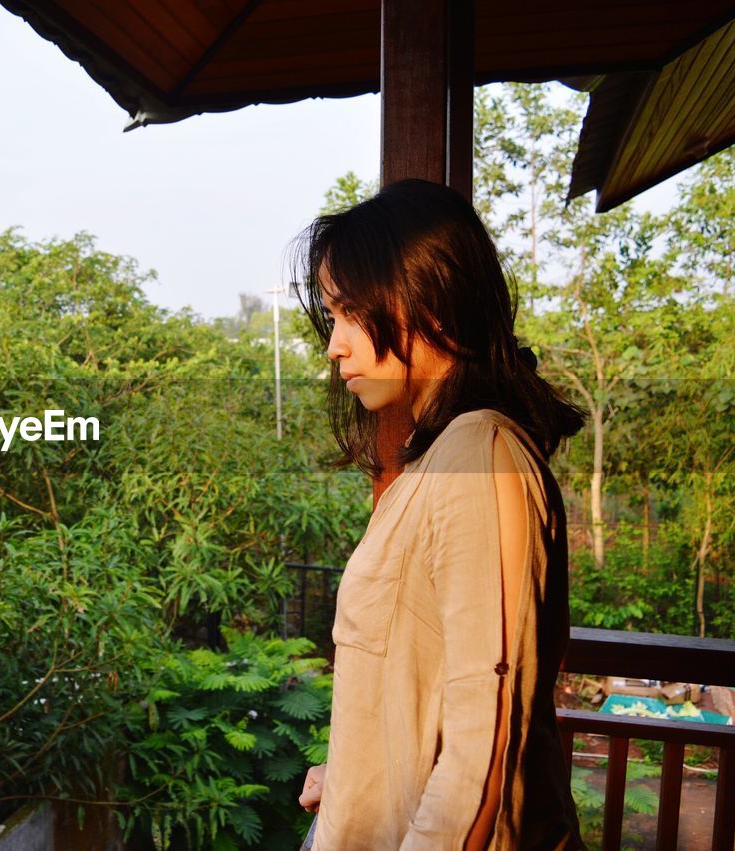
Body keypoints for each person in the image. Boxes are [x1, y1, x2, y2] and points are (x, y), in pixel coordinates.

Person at [290, 179, 587, 850]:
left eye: (347, 311)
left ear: (427, 301)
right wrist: (355, 774)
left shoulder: (480, 456)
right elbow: (427, 698)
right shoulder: (437, 461)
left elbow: (482, 760)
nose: (334, 344)